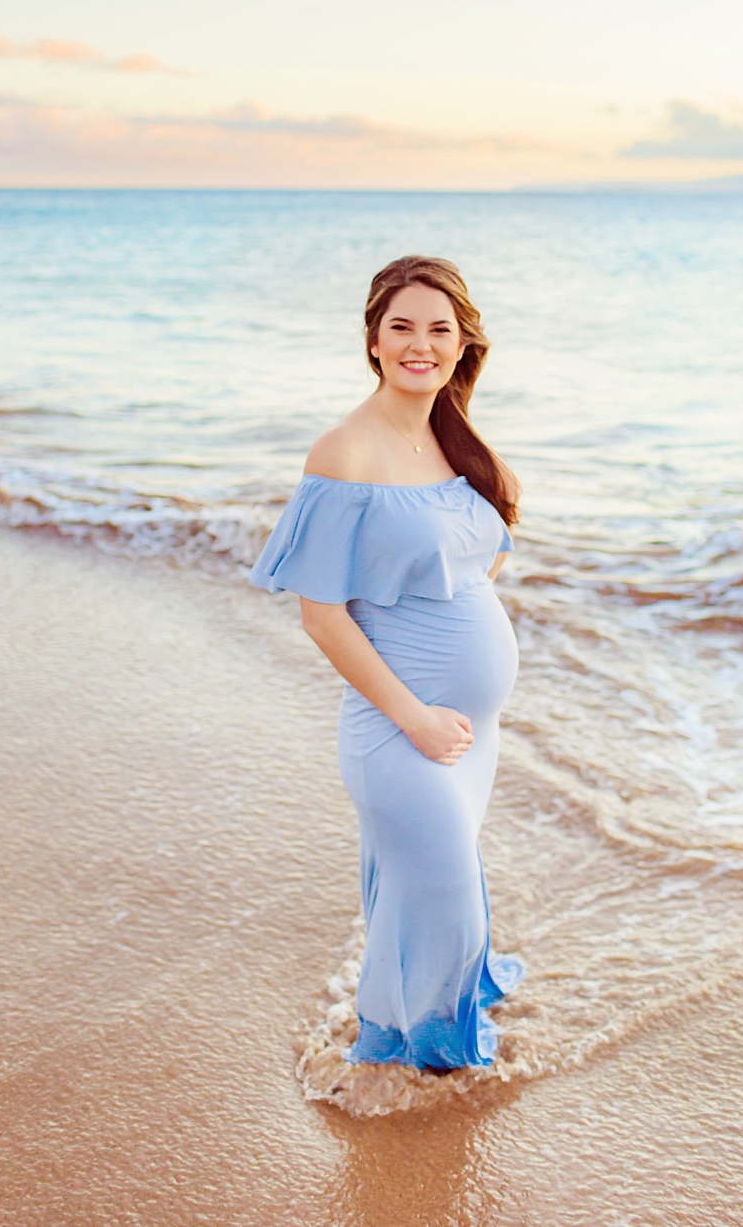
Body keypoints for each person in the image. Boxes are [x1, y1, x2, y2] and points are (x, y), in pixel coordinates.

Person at [249, 255, 525, 1071]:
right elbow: (322, 615)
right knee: (447, 898)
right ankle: (418, 1064)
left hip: (467, 732)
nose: (419, 345)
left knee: (424, 892)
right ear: (373, 340)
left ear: (462, 344)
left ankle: (417, 1046)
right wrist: (416, 715)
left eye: (439, 329)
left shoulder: (453, 441)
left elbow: (480, 560)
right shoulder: (344, 453)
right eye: (401, 327)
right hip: (400, 731)